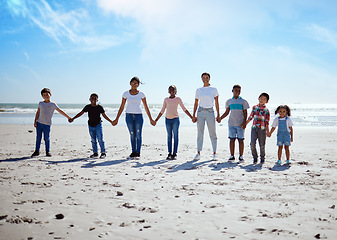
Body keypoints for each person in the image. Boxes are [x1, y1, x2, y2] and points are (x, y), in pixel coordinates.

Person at [112, 77, 155, 159]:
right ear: (130, 83)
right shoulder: (126, 94)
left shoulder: (141, 94)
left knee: (138, 134)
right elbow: (122, 107)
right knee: (132, 134)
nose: (134, 84)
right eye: (133, 83)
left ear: (138, 85)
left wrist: (151, 119)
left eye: (136, 83)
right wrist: (116, 118)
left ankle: (138, 152)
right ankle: (133, 151)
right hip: (129, 116)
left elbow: (146, 107)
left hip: (139, 116)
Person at [154, 85, 193, 160]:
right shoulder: (166, 99)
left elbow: (184, 109)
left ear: (176, 91)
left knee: (175, 136)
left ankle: (174, 153)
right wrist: (155, 120)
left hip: (175, 120)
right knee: (169, 136)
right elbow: (162, 110)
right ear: (168, 91)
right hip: (167, 120)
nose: (172, 91)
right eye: (170, 89)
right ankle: (169, 153)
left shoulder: (178, 99)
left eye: (173, 89)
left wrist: (191, 117)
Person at [69, 93, 113, 159]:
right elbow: (81, 113)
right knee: (93, 140)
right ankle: (95, 153)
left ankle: (103, 153)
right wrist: (73, 118)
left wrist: (111, 121)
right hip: (90, 125)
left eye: (95, 98)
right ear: (89, 99)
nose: (93, 100)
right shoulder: (87, 107)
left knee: (100, 139)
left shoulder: (99, 107)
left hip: (98, 125)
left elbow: (104, 115)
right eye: (92, 98)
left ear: (97, 100)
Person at [31, 88, 71, 157]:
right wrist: (35, 121)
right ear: (42, 96)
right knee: (38, 138)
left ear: (50, 94)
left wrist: (68, 117)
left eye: (47, 94)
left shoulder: (53, 104)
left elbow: (60, 111)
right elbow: (38, 112)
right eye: (44, 95)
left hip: (47, 124)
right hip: (39, 123)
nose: (46, 96)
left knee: (46, 138)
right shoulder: (41, 103)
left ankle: (47, 151)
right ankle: (37, 151)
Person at [192, 72, 220, 161]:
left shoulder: (213, 89)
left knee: (213, 133)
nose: (205, 79)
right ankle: (198, 153)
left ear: (209, 78)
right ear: (201, 79)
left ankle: (214, 153)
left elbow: (216, 102)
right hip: (200, 112)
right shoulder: (199, 90)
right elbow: (196, 103)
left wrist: (219, 114)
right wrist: (193, 115)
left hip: (210, 112)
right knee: (200, 133)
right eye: (203, 77)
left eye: (207, 77)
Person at [218, 85, 249, 163]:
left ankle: (241, 156)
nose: (237, 92)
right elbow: (227, 112)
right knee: (232, 139)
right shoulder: (229, 101)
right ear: (232, 90)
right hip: (231, 123)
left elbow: (245, 112)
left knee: (241, 140)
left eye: (239, 90)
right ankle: (232, 156)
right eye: (236, 90)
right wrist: (220, 118)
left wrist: (244, 122)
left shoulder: (243, 101)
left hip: (240, 124)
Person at [245, 93, 270, 164]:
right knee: (252, 144)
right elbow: (250, 117)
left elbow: (267, 122)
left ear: (266, 101)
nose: (262, 100)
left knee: (262, 145)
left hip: (262, 129)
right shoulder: (254, 107)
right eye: (261, 98)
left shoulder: (266, 110)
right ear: (258, 98)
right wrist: (245, 124)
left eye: (264, 99)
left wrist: (268, 132)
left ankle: (262, 158)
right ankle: (255, 158)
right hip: (254, 128)